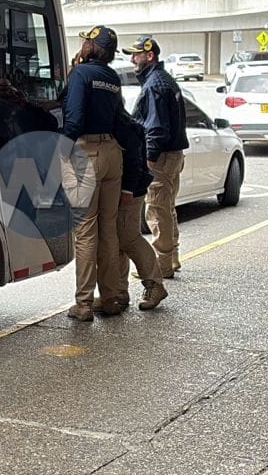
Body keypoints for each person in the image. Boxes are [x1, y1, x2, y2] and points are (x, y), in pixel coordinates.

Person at [61, 25, 125, 320]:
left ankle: (84, 303)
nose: (83, 44)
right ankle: (110, 297)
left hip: (86, 152)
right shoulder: (112, 77)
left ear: (91, 46)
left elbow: (74, 119)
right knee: (108, 230)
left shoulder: (81, 74)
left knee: (86, 232)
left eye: (87, 41)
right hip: (112, 152)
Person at [127, 36, 189, 278]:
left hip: (161, 158)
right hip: (173, 155)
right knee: (167, 207)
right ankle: (171, 258)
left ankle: (161, 266)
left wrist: (148, 160)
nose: (133, 59)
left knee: (156, 210)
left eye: (136, 55)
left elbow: (156, 128)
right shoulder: (165, 80)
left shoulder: (154, 85)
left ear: (149, 55)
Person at [94, 108, 167, 312]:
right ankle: (119, 292)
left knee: (127, 237)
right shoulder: (118, 120)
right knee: (115, 239)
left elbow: (134, 159)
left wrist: (127, 189)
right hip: (123, 188)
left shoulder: (122, 125)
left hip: (130, 190)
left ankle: (154, 284)